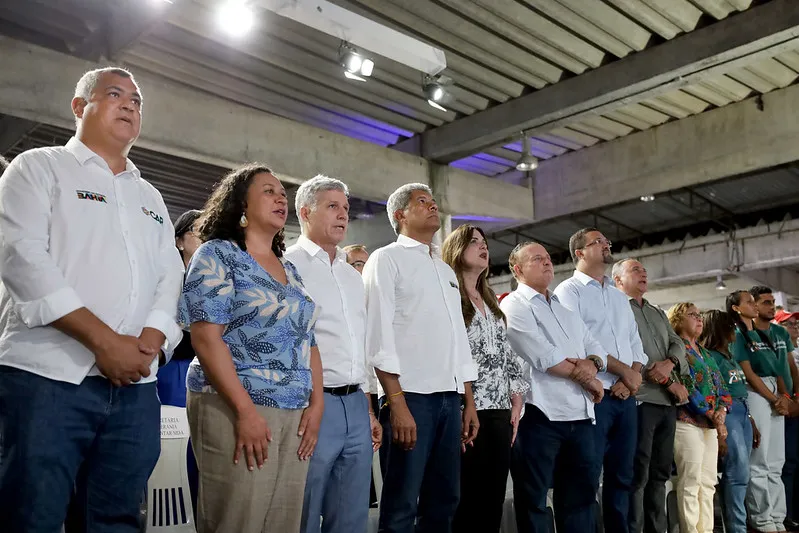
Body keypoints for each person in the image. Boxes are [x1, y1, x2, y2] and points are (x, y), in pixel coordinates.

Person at [0, 67, 184, 532]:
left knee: (117, 518)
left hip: (134, 389)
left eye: (137, 101)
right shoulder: (38, 167)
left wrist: (151, 341)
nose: (130, 105)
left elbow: (171, 275)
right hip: (47, 377)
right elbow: (22, 258)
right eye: (115, 95)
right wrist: (105, 342)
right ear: (80, 107)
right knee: (32, 514)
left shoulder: (149, 196)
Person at [180, 164, 324, 533]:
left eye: (282, 193)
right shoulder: (218, 255)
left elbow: (309, 340)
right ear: (241, 205)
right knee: (237, 518)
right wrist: (245, 412)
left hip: (295, 411)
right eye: (268, 191)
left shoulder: (290, 269)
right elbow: (206, 338)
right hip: (233, 404)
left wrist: (317, 404)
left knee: (283, 522)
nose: (280, 198)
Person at [363, 183, 479, 533]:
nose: (433, 206)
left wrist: (468, 401)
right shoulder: (386, 259)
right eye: (422, 202)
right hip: (410, 397)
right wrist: (396, 402)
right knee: (401, 505)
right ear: (400, 216)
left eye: (433, 201)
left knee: (444, 502)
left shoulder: (444, 269)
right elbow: (378, 335)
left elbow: (458, 337)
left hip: (448, 396)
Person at [285, 175, 381, 533]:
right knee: (303, 511)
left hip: (355, 404)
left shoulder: (351, 274)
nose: (343, 215)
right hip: (313, 404)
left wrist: (368, 407)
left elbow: (361, 344)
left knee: (351, 515)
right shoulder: (287, 265)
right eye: (332, 206)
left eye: (346, 208)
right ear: (305, 212)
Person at [500, 241, 606, 533]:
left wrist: (593, 364)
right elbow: (542, 355)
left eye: (548, 257)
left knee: (582, 499)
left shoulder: (564, 309)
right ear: (518, 269)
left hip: (581, 417)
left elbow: (596, 348)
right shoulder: (513, 304)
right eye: (537, 259)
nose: (547, 262)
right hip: (539, 415)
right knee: (534, 500)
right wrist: (590, 378)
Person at [554, 228, 646, 532]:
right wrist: (624, 373)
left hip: (625, 396)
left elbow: (635, 343)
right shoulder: (569, 291)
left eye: (606, 241)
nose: (607, 244)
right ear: (580, 253)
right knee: (586, 475)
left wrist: (631, 378)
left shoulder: (618, 297)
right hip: (595, 396)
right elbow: (581, 342)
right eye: (599, 242)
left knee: (622, 476)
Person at [442, 225, 529, 533]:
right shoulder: (448, 295)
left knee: (492, 499)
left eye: (484, 242)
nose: (483, 247)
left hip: (500, 412)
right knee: (466, 500)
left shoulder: (489, 298)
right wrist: (464, 404)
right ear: (456, 249)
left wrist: (517, 394)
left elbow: (507, 352)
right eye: (473, 241)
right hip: (467, 410)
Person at [612, 258, 689, 533]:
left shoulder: (656, 311)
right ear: (618, 280)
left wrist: (670, 364)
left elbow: (677, 342)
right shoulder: (616, 309)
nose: (643, 273)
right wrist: (666, 380)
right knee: (637, 474)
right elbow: (623, 351)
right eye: (635, 270)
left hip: (666, 404)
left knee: (660, 474)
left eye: (644, 270)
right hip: (640, 399)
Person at [733, 286, 794, 533]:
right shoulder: (739, 334)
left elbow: (780, 367)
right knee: (759, 460)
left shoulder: (767, 334)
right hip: (755, 392)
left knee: (776, 461)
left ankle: (777, 516)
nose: (767, 306)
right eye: (761, 302)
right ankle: (761, 518)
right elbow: (748, 372)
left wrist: (785, 397)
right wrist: (773, 398)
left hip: (775, 392)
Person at [668, 302, 731, 533]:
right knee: (691, 481)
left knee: (708, 483)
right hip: (687, 421)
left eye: (699, 315)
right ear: (677, 320)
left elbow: (722, 386)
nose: (699, 319)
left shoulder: (705, 353)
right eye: (692, 315)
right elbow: (686, 385)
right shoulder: (676, 349)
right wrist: (711, 413)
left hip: (710, 424)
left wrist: (722, 412)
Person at [703, 307, 760, 533]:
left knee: (742, 473)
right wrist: (721, 431)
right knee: (736, 473)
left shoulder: (730, 356)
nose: (735, 330)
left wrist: (751, 420)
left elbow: (739, 390)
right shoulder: (712, 358)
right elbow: (716, 394)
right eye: (731, 326)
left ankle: (739, 525)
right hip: (727, 413)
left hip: (743, 411)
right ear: (720, 329)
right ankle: (737, 529)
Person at [157, 208, 203, 407]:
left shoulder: (219, 280)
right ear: (179, 242)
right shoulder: (166, 278)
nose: (203, 235)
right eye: (196, 230)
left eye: (208, 230)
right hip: (174, 363)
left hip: (208, 365)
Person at [775, 308, 799, 530]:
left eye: (795, 323)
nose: (794, 326)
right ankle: (787, 513)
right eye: (789, 323)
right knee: (788, 464)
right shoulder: (781, 351)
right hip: (789, 412)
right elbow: (783, 374)